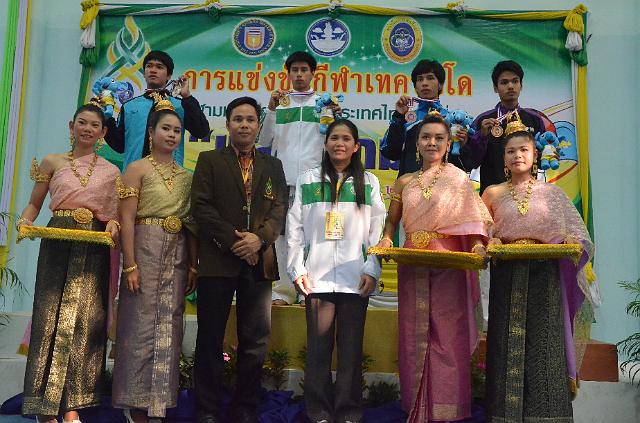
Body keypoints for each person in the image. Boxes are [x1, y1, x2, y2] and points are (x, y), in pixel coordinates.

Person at [481, 119, 599, 422]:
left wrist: (570, 243)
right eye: (510, 151)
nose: (517, 155)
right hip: (506, 276)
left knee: (544, 345)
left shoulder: (553, 194)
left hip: (545, 276)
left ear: (535, 155)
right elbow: (481, 234)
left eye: (523, 150)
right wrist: (490, 240)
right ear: (503, 158)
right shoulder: (492, 193)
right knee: (504, 342)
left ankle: (547, 416)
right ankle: (503, 415)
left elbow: (578, 235)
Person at [376, 114, 492, 422]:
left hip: (449, 263)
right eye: (426, 137)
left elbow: (475, 219)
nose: (432, 143)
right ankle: (416, 406)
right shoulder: (404, 181)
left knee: (448, 336)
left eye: (439, 138)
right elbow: (391, 221)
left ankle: (446, 409)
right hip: (413, 262)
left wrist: (478, 246)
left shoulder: (459, 179)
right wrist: (386, 238)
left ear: (449, 144)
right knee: (414, 334)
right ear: (416, 144)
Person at [17, 104, 120, 423]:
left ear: (103, 132)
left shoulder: (112, 172)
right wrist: (24, 222)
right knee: (48, 316)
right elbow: (34, 203)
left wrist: (113, 226)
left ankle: (72, 405)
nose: (87, 129)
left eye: (94, 125)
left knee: (86, 321)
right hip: (57, 240)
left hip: (93, 246)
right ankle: (43, 406)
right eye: (82, 123)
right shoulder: (52, 161)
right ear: (71, 125)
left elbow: (114, 215)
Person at [191, 97, 288, 423]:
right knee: (210, 338)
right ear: (228, 124)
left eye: (250, 119)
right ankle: (207, 410)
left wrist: (259, 239)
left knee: (255, 341)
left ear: (259, 126)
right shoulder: (209, 160)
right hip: (218, 260)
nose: (244, 125)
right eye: (238, 119)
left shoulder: (273, 165)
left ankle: (245, 408)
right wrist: (235, 242)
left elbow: (279, 210)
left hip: (259, 262)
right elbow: (201, 207)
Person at [287, 119, 386, 423]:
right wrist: (297, 269)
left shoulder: (368, 182)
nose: (339, 143)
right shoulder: (307, 180)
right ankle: (318, 410)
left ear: (356, 147)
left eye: (346, 139)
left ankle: (348, 411)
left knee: (350, 351)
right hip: (316, 279)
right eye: (334, 138)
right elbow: (294, 229)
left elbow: (377, 230)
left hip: (356, 278)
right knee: (318, 350)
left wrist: (372, 268)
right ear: (326, 143)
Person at [111, 103, 198, 422]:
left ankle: (159, 403)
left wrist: (193, 265)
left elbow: (191, 224)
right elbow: (127, 218)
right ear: (151, 132)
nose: (172, 135)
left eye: (177, 130)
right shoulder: (136, 169)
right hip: (144, 247)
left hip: (177, 252)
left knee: (170, 325)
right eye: (166, 129)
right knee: (139, 324)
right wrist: (130, 265)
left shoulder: (187, 176)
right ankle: (134, 403)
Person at [258, 51, 338, 305]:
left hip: (315, 181)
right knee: (282, 237)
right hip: (282, 181)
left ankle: (308, 290)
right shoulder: (281, 104)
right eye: (295, 70)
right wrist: (271, 109)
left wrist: (335, 116)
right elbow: (263, 140)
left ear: (313, 73)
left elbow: (334, 143)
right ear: (289, 73)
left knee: (312, 236)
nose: (300, 74)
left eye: (304, 70)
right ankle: (284, 290)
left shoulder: (323, 104)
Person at [104, 50, 210, 170]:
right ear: (144, 73)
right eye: (149, 66)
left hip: (169, 177)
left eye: (159, 67)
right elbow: (119, 145)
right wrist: (106, 119)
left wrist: (187, 97)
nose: (153, 70)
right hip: (134, 176)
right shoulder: (129, 106)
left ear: (169, 75)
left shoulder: (181, 105)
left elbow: (201, 131)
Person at [461, 60, 545, 194]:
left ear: (521, 85)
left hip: (527, 194)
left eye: (515, 81)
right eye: (504, 82)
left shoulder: (534, 119)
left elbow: (541, 162)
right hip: (493, 194)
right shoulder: (483, 121)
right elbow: (471, 163)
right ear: (495, 88)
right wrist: (482, 136)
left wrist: (550, 153)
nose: (510, 86)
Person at [380, 59, 471, 177]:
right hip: (410, 184)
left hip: (444, 185)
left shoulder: (453, 120)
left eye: (430, 78)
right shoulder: (406, 119)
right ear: (415, 87)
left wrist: (464, 146)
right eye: (420, 79)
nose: (424, 83)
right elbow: (390, 153)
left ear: (440, 85)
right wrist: (399, 116)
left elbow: (467, 165)